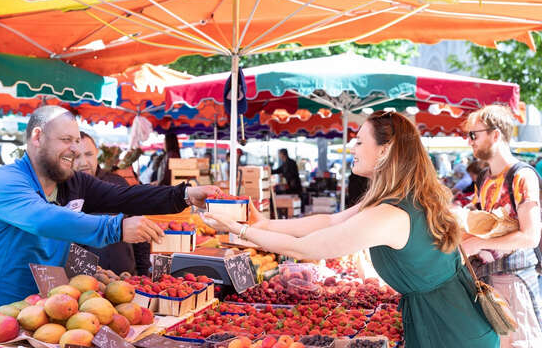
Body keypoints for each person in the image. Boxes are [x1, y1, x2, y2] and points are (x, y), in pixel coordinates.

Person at [203, 111, 498, 348]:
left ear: (385, 150)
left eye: (358, 141)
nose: (351, 148)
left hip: (449, 329)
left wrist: (238, 231)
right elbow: (329, 222)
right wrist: (263, 224)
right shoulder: (400, 197)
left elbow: (305, 248)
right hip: (452, 319)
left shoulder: (389, 213)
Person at [0, 106, 220, 330]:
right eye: (66, 140)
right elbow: (44, 219)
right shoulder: (5, 182)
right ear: (37, 137)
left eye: (77, 141)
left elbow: (125, 197)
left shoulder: (75, 183)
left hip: (37, 312)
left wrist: (183, 195)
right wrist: (116, 227)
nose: (75, 150)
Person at [461, 105, 542, 347]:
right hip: (489, 283)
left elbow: (530, 237)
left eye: (474, 135)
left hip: (515, 282)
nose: (469, 142)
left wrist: (479, 244)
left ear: (495, 135)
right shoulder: (484, 179)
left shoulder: (521, 176)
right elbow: (482, 225)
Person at [73, 131, 151, 276]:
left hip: (125, 279)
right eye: (76, 156)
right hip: (82, 285)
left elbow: (141, 231)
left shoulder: (117, 184)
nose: (84, 162)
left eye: (89, 154)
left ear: (97, 153)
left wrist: (143, 272)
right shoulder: (62, 192)